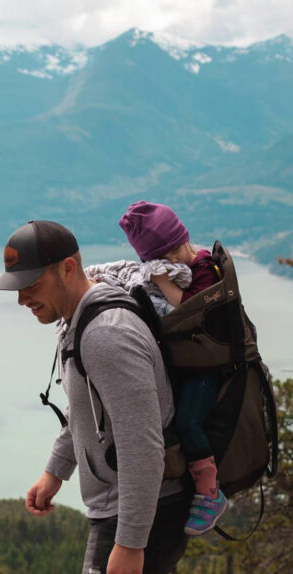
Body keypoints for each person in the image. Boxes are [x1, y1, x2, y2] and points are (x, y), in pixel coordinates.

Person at [0, 219, 190, 574]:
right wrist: (56, 470)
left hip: (141, 511)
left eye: (30, 285)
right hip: (145, 506)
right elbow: (91, 414)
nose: (22, 299)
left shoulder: (105, 333)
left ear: (67, 268)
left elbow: (143, 446)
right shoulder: (81, 318)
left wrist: (131, 541)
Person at [119, 201, 228, 535]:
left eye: (164, 260)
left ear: (178, 243)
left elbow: (188, 307)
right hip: (195, 361)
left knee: (188, 422)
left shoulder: (205, 267)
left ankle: (210, 493)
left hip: (208, 366)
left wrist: (162, 281)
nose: (163, 266)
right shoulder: (191, 263)